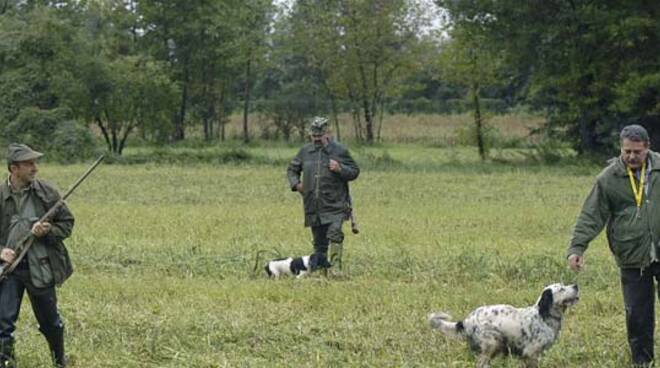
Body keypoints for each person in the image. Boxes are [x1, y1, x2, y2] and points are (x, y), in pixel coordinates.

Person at [567, 124, 660, 366]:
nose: (631, 156)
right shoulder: (608, 178)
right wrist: (577, 248)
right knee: (638, 316)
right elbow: (591, 215)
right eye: (626, 151)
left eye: (636, 152)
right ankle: (643, 363)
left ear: (647, 148)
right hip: (631, 255)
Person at [0, 143, 74, 368]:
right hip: (9, 270)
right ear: (14, 168)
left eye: (35, 163)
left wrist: (48, 231)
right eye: (29, 164)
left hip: (40, 267)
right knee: (3, 324)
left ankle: (59, 362)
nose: (35, 168)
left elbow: (67, 223)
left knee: (51, 322)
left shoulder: (47, 192)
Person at [287, 117, 360, 273]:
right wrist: (296, 185)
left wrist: (340, 168)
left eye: (320, 136)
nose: (317, 139)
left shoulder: (339, 151)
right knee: (319, 242)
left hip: (335, 205)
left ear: (328, 133)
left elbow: (354, 172)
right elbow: (292, 170)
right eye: (314, 136)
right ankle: (320, 270)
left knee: (335, 234)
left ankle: (335, 269)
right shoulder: (305, 151)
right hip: (313, 205)